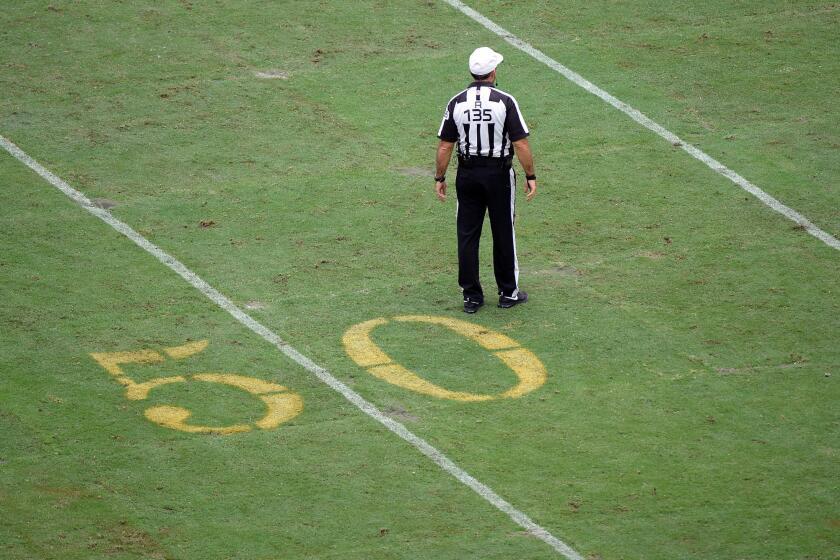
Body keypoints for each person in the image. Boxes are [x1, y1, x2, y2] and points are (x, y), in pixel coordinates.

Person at [435, 46, 537, 314]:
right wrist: (530, 174)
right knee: (503, 231)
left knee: (467, 234)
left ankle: (471, 296)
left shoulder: (456, 102)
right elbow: (521, 143)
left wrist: (440, 176)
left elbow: (446, 146)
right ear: (493, 72)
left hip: (467, 174)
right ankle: (508, 292)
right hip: (499, 174)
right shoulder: (505, 101)